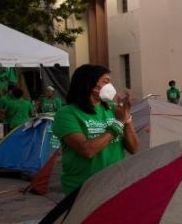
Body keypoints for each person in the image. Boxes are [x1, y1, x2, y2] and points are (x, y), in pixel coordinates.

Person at [53, 64, 139, 195]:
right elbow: (87, 150)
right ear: (89, 83)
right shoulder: (67, 114)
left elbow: (134, 148)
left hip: (115, 185)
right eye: (106, 81)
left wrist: (126, 120)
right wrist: (118, 122)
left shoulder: (113, 109)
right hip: (82, 188)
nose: (110, 86)